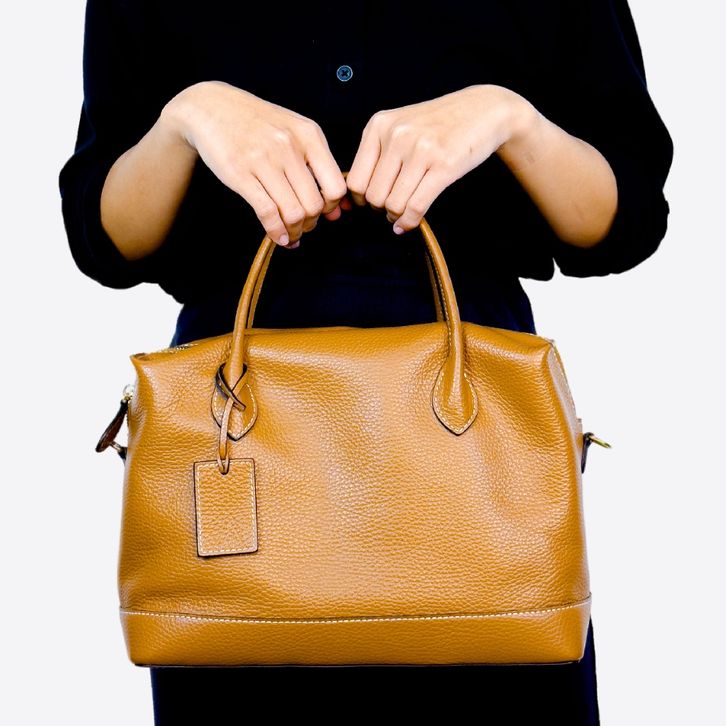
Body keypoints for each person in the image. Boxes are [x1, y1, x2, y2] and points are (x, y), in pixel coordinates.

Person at [58, 0, 673, 723]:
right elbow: (106, 239)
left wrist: (510, 119)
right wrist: (186, 119)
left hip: (479, 443)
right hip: (240, 432)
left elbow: (625, 219)